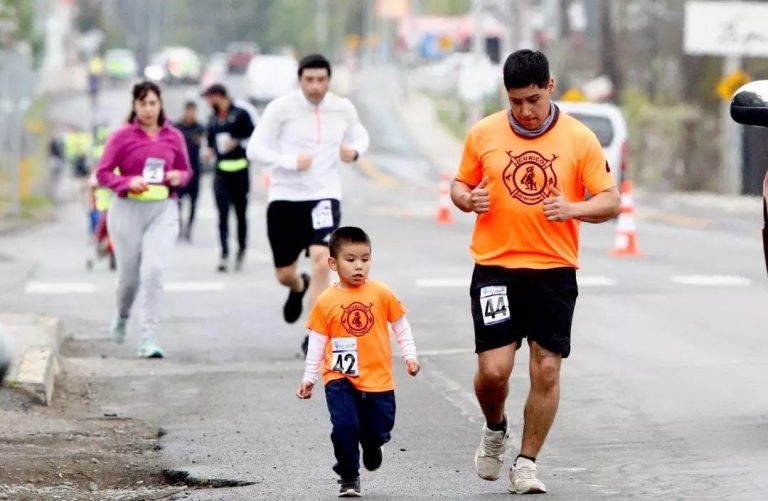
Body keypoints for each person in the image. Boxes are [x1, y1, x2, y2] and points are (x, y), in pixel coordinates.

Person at [450, 50, 620, 494]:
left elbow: (610, 200)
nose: (525, 111)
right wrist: (467, 200)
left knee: (546, 368)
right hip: (495, 266)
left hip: (553, 271)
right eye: (515, 102)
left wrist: (574, 209)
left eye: (532, 100)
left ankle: (526, 463)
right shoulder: (483, 132)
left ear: (550, 86)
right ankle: (494, 428)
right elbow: (459, 184)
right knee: (494, 372)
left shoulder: (580, 139)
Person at [247, 54, 370, 356]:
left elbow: (360, 136)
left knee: (321, 260)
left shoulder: (341, 108)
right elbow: (254, 149)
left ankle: (313, 336)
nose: (315, 86)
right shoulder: (281, 108)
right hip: (285, 198)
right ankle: (296, 287)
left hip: (323, 195)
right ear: (299, 79)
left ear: (329, 80)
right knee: (284, 274)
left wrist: (353, 153)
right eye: (309, 80)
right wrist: (288, 161)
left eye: (321, 80)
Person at [296, 226, 419, 498]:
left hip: (378, 377)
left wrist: (410, 356)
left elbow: (401, 326)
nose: (358, 266)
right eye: (350, 260)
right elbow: (317, 341)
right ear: (333, 263)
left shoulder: (381, 292)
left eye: (365, 259)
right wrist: (309, 377)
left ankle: (373, 444)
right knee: (344, 426)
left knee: (379, 427)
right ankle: (349, 475)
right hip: (339, 376)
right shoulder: (326, 300)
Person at [96, 81, 191, 358]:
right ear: (134, 106)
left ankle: (148, 339)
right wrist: (127, 182)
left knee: (154, 271)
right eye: (142, 103)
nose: (148, 109)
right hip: (127, 210)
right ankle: (122, 315)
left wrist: (178, 177)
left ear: (160, 105)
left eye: (152, 103)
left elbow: (186, 171)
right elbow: (103, 173)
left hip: (163, 209)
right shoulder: (122, 136)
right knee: (129, 279)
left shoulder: (173, 136)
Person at [202, 83, 255, 272]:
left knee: (240, 214)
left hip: (240, 171)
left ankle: (241, 248)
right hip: (221, 173)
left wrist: (237, 142)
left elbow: (254, 138)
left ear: (219, 96)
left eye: (210, 97)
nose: (208, 102)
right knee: (222, 214)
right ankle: (224, 252)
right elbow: (210, 140)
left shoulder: (241, 114)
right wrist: (209, 151)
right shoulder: (213, 118)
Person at [174, 101, 205, 241]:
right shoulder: (177, 127)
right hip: (180, 169)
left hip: (195, 170)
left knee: (194, 201)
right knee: (178, 201)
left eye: (194, 111)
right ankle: (179, 225)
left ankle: (189, 228)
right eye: (189, 111)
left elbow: (205, 146)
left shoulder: (200, 128)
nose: (191, 114)